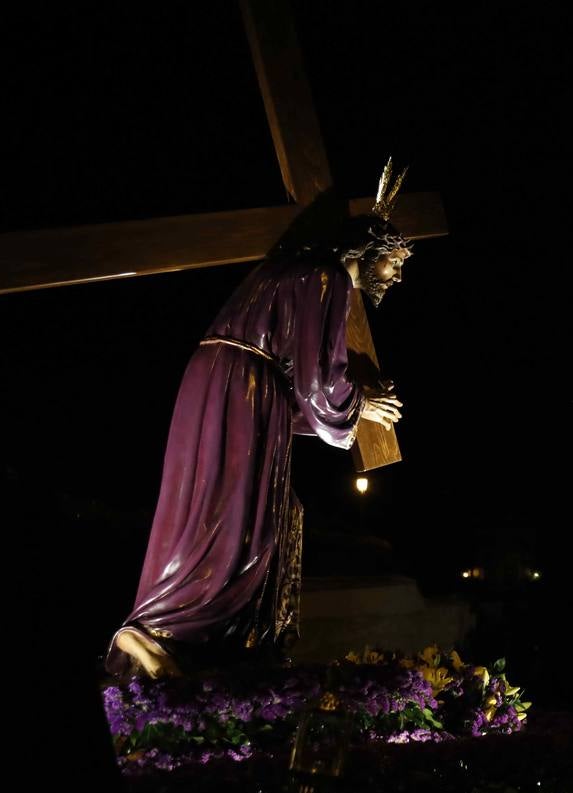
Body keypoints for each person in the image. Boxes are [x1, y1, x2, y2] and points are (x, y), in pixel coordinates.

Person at [105, 165, 411, 678]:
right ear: (371, 249)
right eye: (397, 262)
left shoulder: (290, 271)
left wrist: (341, 411)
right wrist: (357, 406)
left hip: (221, 382)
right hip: (243, 384)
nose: (397, 275)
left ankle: (166, 632)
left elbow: (296, 394)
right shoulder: (327, 276)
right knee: (238, 513)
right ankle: (178, 624)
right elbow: (317, 384)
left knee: (206, 502)